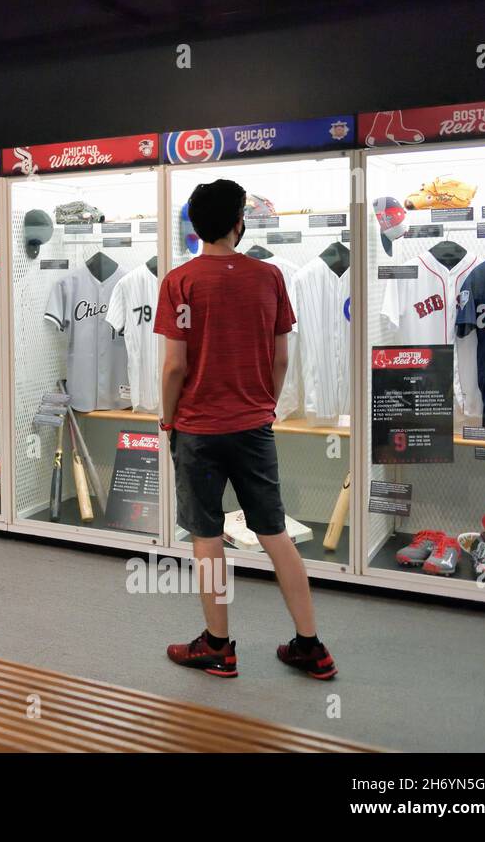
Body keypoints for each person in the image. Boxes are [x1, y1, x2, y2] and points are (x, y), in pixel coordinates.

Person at [153, 179, 335, 680]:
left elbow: (173, 366)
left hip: (196, 427)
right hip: (253, 425)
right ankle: (311, 645)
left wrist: (169, 418)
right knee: (274, 531)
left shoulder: (179, 281)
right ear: (240, 222)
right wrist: (264, 404)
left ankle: (217, 646)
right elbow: (281, 357)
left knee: (206, 534)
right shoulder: (269, 277)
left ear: (195, 225)